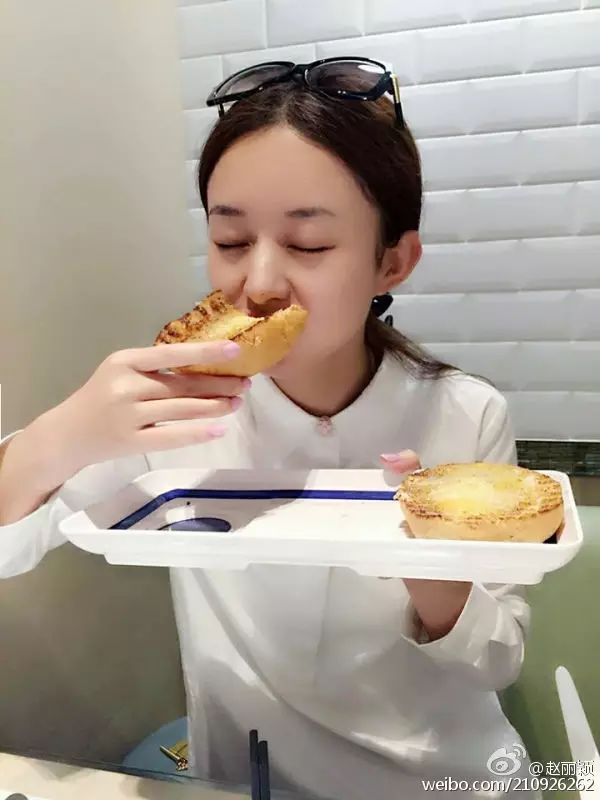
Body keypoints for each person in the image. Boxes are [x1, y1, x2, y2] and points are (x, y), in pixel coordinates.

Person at [0, 58, 538, 799]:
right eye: (230, 240)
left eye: (308, 245)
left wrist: (429, 566)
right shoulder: (175, 409)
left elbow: (498, 660)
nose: (257, 283)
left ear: (393, 262)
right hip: (244, 778)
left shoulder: (467, 413)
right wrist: (61, 436)